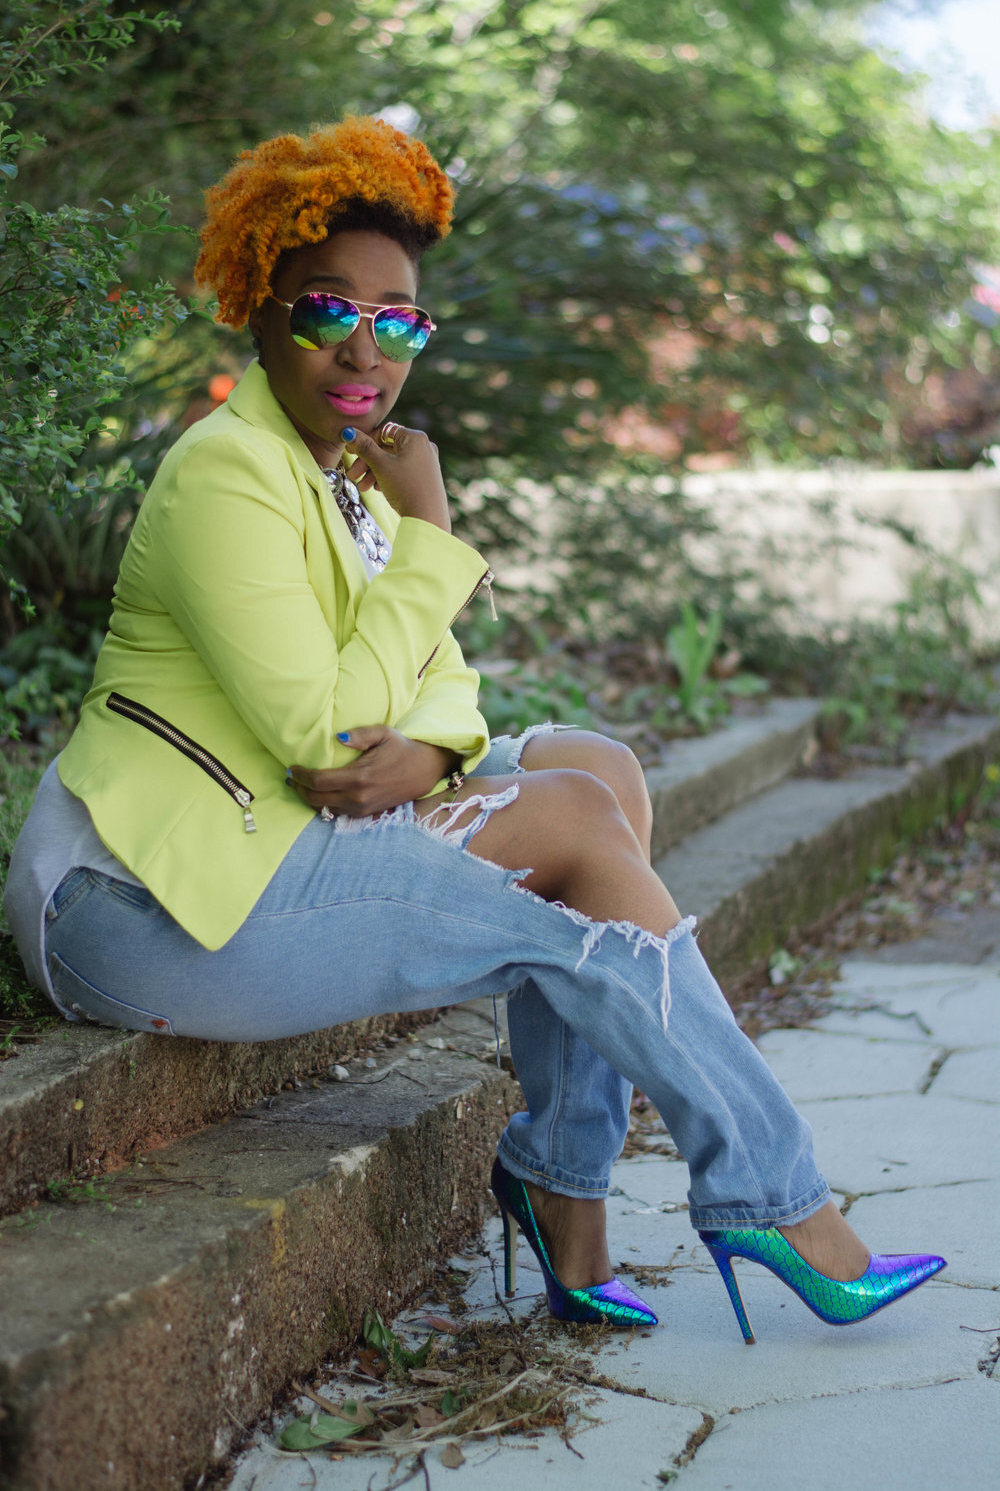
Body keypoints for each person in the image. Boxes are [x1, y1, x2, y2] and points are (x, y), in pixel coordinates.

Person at [4, 117, 943, 1342]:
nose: (365, 345)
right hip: (139, 906)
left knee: (596, 770)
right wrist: (434, 532)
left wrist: (439, 751)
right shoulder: (224, 473)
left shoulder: (347, 473)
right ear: (261, 306)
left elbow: (445, 684)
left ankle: (568, 1191)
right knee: (572, 836)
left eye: (398, 319)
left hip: (274, 837)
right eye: (327, 307)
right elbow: (332, 734)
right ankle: (775, 1203)